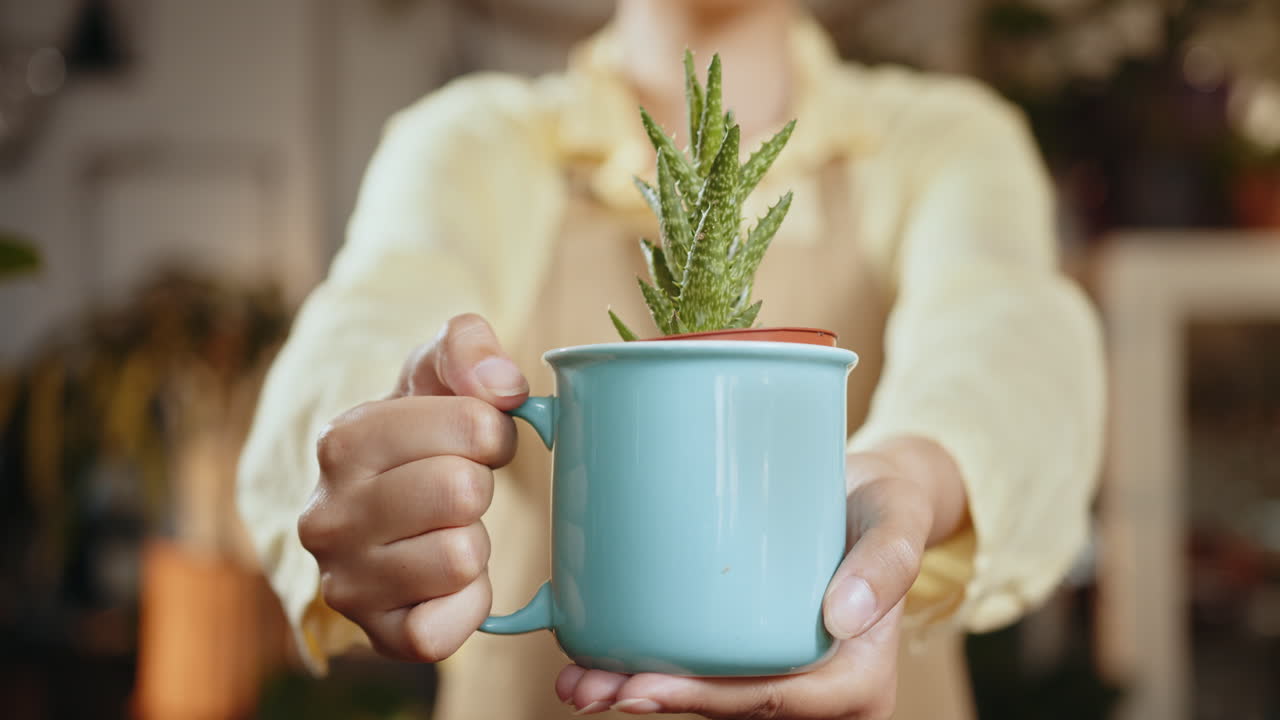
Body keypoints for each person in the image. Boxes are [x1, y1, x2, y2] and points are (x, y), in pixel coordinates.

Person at [237, 0, 1105, 718]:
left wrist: (913, 475)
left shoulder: (943, 140)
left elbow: (1006, 344)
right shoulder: (474, 143)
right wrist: (383, 452)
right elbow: (367, 326)